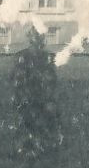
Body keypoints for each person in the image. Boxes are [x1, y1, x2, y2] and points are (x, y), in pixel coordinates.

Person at [12, 27, 61, 157]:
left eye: (39, 38)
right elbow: (18, 79)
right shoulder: (22, 56)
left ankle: (41, 145)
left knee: (44, 120)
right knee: (28, 121)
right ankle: (29, 146)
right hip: (28, 96)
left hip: (41, 96)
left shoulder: (47, 57)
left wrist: (50, 99)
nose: (38, 42)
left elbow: (51, 80)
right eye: (35, 38)